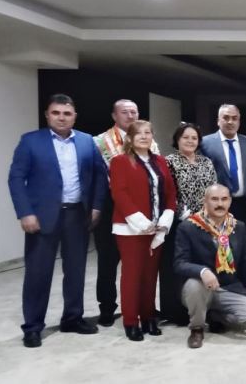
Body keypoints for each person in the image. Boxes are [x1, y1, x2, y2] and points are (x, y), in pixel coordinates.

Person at [8, 94, 106, 348]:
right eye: (56, 113)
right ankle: (33, 327)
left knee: (76, 271)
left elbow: (99, 175)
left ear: (74, 116)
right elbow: (16, 178)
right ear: (47, 115)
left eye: (67, 113)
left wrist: (96, 206)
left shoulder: (86, 141)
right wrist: (25, 212)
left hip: (77, 214)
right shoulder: (31, 141)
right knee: (38, 274)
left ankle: (72, 318)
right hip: (42, 217)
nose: (61, 118)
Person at [109, 120, 177, 341]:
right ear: (129, 138)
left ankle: (148, 317)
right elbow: (120, 194)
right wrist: (141, 222)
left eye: (148, 132)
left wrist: (165, 219)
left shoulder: (160, 161)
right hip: (130, 229)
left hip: (157, 227)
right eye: (138, 133)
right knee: (132, 276)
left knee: (150, 276)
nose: (144, 136)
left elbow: (170, 193)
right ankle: (131, 321)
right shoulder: (119, 161)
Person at [93, 99, 158, 327]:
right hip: (112, 208)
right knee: (108, 262)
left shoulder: (150, 142)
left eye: (134, 112)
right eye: (125, 112)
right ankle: (107, 308)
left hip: (144, 209)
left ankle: (143, 307)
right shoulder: (100, 142)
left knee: (142, 264)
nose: (130, 116)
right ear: (114, 116)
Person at [175, 184, 246, 349]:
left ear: (230, 201)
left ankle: (213, 316)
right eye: (214, 199)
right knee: (194, 285)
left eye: (224, 199)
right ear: (205, 201)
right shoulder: (188, 227)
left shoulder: (239, 227)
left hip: (229, 287)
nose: (220, 204)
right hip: (200, 287)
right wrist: (202, 271)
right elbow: (179, 263)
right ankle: (197, 329)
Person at [161, 123, 217, 325]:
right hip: (179, 223)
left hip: (206, 223)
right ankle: (175, 312)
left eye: (194, 138)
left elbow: (214, 190)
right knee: (177, 265)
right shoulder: (168, 161)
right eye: (186, 137)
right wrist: (182, 214)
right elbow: (166, 192)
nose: (190, 141)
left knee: (202, 263)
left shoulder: (206, 162)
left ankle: (204, 307)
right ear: (177, 140)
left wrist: (209, 214)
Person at [200, 104, 246, 224]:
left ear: (239, 121)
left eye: (234, 118)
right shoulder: (205, 143)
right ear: (218, 121)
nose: (230, 122)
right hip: (218, 205)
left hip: (245, 204)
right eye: (226, 118)